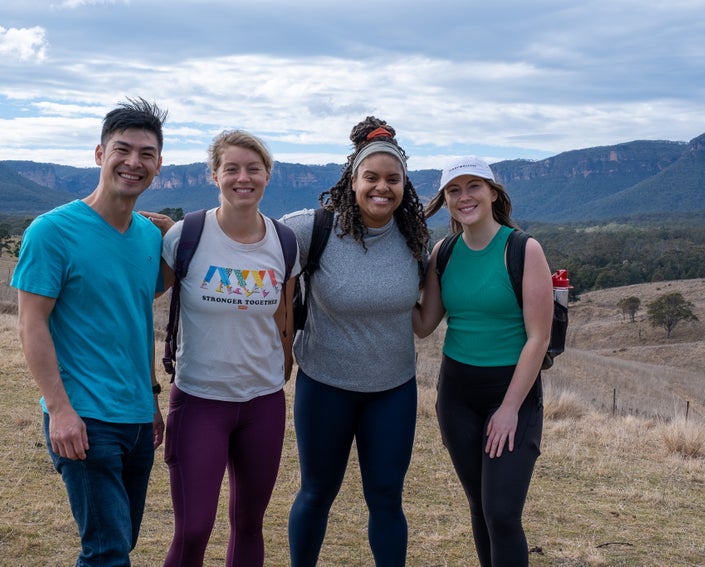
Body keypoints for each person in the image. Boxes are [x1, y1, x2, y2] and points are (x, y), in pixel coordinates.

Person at [11, 98, 168, 566]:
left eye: (146, 154)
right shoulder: (52, 231)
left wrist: (153, 405)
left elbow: (131, 319)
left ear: (159, 165)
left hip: (139, 419)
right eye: (123, 149)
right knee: (106, 551)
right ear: (100, 155)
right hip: (85, 418)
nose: (133, 163)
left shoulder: (150, 238)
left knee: (121, 540)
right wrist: (59, 411)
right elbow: (30, 322)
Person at [280, 117, 430, 566]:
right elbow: (246, 238)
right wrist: (174, 230)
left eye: (392, 179)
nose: (381, 187)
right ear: (353, 179)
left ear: (404, 185)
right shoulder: (312, 229)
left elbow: (429, 310)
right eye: (371, 177)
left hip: (393, 390)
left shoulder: (415, 239)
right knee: (316, 492)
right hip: (324, 385)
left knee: (386, 497)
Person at [159, 130, 298, 567]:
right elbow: (139, 302)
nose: (243, 178)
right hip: (200, 400)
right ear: (214, 175)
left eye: (253, 168)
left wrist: (283, 365)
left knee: (250, 523)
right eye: (232, 169)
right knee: (194, 528)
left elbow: (283, 317)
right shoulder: (186, 236)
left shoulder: (284, 242)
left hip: (263, 403)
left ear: (268, 175)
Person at [413, 156, 553, 567]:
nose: (464, 197)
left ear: (493, 193)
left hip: (511, 394)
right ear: (445, 200)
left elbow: (538, 337)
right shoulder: (445, 251)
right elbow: (424, 324)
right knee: (479, 507)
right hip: (456, 395)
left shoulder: (523, 249)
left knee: (502, 514)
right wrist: (385, 285)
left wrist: (509, 408)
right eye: (454, 190)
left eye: (474, 186)